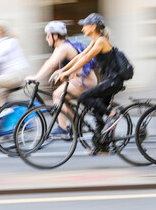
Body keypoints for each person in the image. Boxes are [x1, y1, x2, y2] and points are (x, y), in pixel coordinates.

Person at [54, 13, 130, 153]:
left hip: (113, 81)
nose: (82, 28)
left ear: (93, 26)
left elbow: (87, 58)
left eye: (85, 25)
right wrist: (63, 70)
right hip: (109, 81)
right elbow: (80, 56)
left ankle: (113, 115)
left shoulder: (101, 41)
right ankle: (102, 147)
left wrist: (65, 73)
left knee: (84, 97)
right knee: (97, 110)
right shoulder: (95, 41)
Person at [25, 21, 97, 138]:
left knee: (57, 95)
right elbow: (49, 62)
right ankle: (77, 122)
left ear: (55, 36)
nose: (46, 38)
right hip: (79, 81)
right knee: (63, 100)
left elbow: (51, 63)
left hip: (85, 82)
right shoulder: (61, 47)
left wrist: (36, 77)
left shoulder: (64, 47)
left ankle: (62, 128)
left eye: (48, 35)